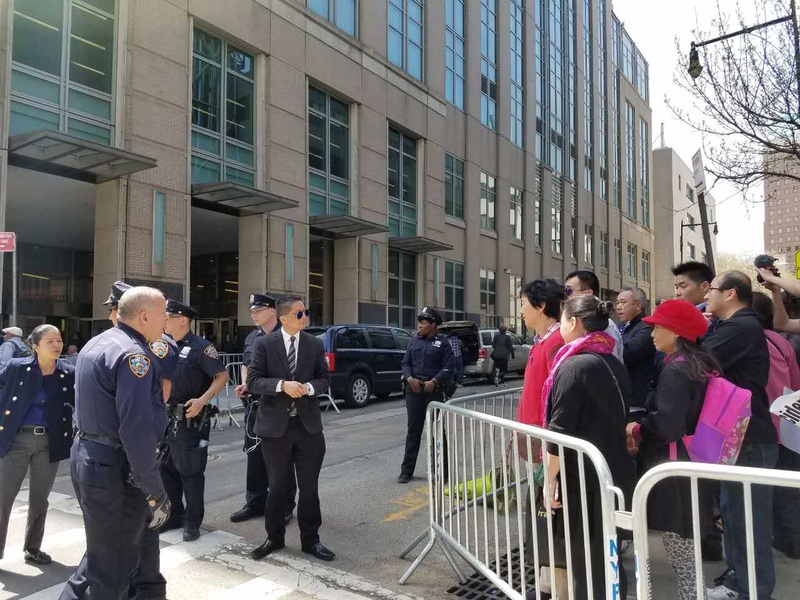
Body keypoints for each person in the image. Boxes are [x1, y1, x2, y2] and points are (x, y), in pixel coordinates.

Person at [60, 287, 171, 599]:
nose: (166, 321)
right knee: (113, 567)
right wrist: (154, 489)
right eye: (163, 315)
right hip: (114, 468)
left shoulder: (98, 342)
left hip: (89, 457)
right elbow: (135, 428)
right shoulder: (135, 356)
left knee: (101, 557)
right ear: (145, 316)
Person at [625, 300, 719, 600]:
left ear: (676, 331)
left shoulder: (676, 370)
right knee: (685, 539)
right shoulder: (698, 362)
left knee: (679, 540)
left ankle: (693, 595)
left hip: (675, 467)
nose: (652, 334)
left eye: (658, 328)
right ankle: (695, 592)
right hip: (694, 460)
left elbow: (667, 424)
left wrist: (636, 430)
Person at [542, 294, 634, 600]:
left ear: (573, 322)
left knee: (586, 559)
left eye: (562, 320)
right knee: (608, 556)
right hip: (613, 470)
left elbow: (560, 430)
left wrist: (549, 480)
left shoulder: (574, 365)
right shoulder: (612, 361)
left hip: (582, 479)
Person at [703, 271, 777, 600]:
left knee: (748, 519)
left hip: (749, 438)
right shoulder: (735, 326)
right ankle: (738, 581)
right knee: (734, 515)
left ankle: (751, 589)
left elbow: (700, 360)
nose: (707, 295)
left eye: (712, 289)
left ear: (730, 293)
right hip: (740, 436)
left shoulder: (740, 328)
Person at [246, 296, 334, 562]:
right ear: (284, 318)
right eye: (299, 313)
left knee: (309, 488)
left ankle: (311, 540)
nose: (305, 317)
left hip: (308, 428)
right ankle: (274, 538)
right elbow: (253, 381)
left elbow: (324, 379)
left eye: (305, 312)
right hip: (275, 429)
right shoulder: (264, 344)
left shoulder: (314, 344)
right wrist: (282, 385)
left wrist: (309, 388)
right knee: (277, 487)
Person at [0, 325, 74, 565]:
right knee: (3, 497)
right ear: (35, 346)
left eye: (59, 340)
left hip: (49, 442)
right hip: (16, 439)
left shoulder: (68, 373)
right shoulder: (16, 368)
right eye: (50, 341)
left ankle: (33, 547)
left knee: (40, 498)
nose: (57, 345)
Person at [159, 300, 228, 542]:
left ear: (182, 320)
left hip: (190, 419)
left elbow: (221, 376)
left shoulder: (201, 347)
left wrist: (202, 400)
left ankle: (193, 521)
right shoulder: (164, 345)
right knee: (165, 470)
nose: (164, 321)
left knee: (191, 472)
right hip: (165, 419)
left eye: (167, 317)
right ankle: (174, 515)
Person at [230, 293, 297, 525]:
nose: (253, 314)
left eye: (257, 310)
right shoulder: (252, 337)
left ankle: (285, 505)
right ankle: (255, 502)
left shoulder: (288, 335)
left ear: (272, 312)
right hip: (255, 406)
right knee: (254, 455)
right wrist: (245, 385)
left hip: (279, 406)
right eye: (251, 311)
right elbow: (246, 365)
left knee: (281, 459)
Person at [751, 291, 800, 559]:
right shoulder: (782, 341)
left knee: (761, 491)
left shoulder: (746, 342)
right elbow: (795, 382)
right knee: (787, 488)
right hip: (787, 422)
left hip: (761, 425)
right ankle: (791, 540)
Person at [397, 307, 454, 484]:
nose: (420, 326)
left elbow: (448, 367)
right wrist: (409, 379)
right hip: (414, 390)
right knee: (413, 430)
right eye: (419, 323)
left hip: (433, 391)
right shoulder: (414, 341)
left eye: (424, 323)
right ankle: (406, 471)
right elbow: (405, 363)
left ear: (433, 325)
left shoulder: (443, 343)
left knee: (437, 431)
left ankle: (441, 472)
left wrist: (434, 381)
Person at [516, 279, 566, 428]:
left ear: (541, 305)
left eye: (523, 303)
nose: (521, 310)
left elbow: (560, 394)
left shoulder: (557, 341)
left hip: (541, 430)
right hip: (531, 428)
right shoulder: (541, 342)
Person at [564, 270, 624, 361]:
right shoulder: (581, 320)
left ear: (588, 293)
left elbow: (608, 362)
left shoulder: (604, 325)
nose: (566, 296)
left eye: (569, 291)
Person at [615, 286, 656, 417]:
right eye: (617, 302)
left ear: (638, 305)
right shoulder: (622, 328)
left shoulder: (646, 329)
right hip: (621, 400)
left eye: (623, 302)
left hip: (636, 402)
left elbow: (626, 353)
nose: (618, 307)